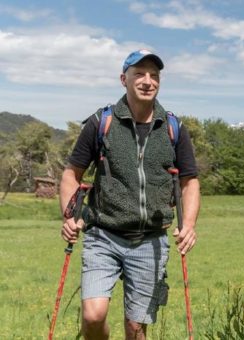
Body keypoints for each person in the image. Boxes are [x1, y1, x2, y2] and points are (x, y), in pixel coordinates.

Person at [60, 49, 200, 340]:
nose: (148, 81)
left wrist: (189, 225)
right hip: (104, 235)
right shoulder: (101, 123)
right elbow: (71, 174)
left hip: (151, 240)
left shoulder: (174, 128)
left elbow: (189, 182)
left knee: (136, 329)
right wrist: (69, 216)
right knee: (93, 316)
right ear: (124, 79)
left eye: (154, 75)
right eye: (139, 74)